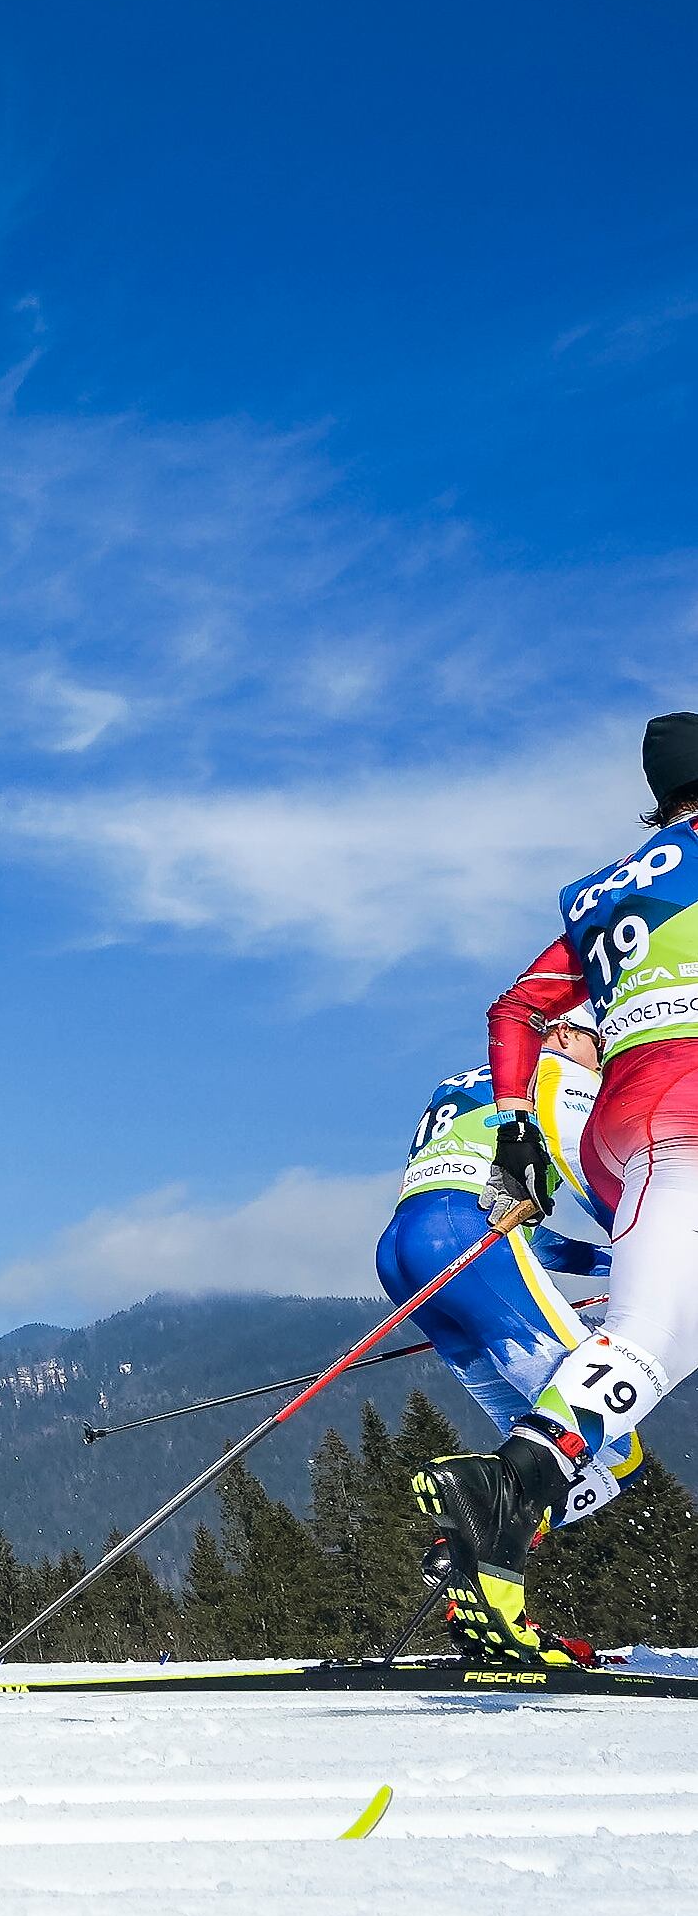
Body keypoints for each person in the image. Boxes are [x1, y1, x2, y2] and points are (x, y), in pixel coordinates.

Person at [421, 712, 698, 1665]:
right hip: (691, 1096)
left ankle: (504, 1507)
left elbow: (515, 1008)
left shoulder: (602, 894)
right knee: (655, 1334)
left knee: (659, 1339)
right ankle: (504, 1496)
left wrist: (513, 1130)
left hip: (627, 1119)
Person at [376, 1019, 635, 1627]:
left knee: (536, 1445)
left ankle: (477, 1570)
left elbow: (522, 1237)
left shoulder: (465, 1084)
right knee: (613, 1442)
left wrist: (611, 1260)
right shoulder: (557, 1077)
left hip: (406, 1250)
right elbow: (597, 1174)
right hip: (467, 1238)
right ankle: (491, 1550)